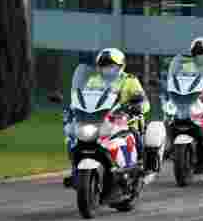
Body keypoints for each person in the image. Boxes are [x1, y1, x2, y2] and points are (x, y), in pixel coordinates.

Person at [63, 48, 150, 188]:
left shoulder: (129, 80)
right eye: (103, 66)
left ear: (121, 66)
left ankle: (140, 166)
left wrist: (135, 107)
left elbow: (144, 102)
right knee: (73, 137)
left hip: (126, 119)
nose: (107, 69)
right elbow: (84, 98)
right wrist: (73, 108)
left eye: (111, 66)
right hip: (98, 120)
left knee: (134, 132)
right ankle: (75, 170)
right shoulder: (94, 80)